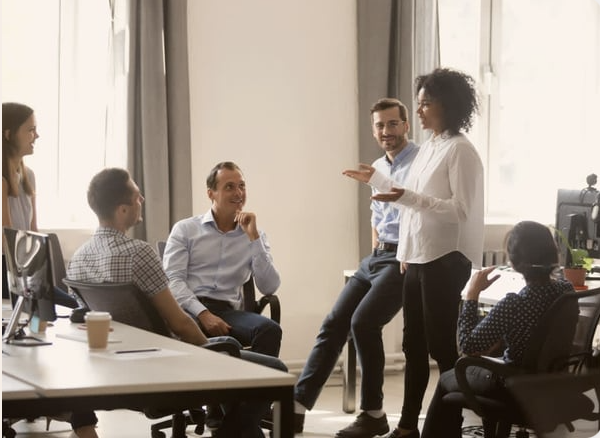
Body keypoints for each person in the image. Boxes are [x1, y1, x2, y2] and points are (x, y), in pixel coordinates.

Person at [67, 167, 287, 438]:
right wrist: (217, 353)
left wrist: (254, 239)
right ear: (122, 209)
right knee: (275, 371)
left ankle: (236, 425)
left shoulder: (78, 259)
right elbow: (180, 323)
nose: (143, 200)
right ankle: (237, 429)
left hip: (120, 369)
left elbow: (83, 321)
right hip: (168, 362)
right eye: (137, 195)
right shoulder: (142, 251)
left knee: (262, 336)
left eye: (242, 185)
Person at [344, 67, 485, 438]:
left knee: (442, 347)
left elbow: (460, 210)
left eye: (425, 104)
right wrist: (376, 180)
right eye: (418, 103)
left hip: (446, 258)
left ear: (447, 105)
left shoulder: (460, 150)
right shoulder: (431, 148)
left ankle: (451, 425)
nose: (418, 111)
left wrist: (405, 197)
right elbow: (407, 201)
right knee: (413, 346)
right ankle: (407, 426)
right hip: (417, 258)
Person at [293, 98, 418, 437]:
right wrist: (375, 248)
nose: (386, 131)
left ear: (406, 125)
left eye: (393, 124)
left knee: (364, 323)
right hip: (377, 257)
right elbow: (377, 217)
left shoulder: (421, 163)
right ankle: (297, 407)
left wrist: (402, 252)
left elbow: (419, 212)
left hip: (403, 259)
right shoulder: (377, 166)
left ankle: (373, 414)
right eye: (380, 125)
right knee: (334, 323)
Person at [421, 220, 575, 437]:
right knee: (492, 353)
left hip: (512, 386)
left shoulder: (514, 304)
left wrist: (471, 296)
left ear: (513, 262)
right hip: (551, 384)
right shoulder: (566, 290)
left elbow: (467, 347)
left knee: (448, 377)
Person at [2, 102, 92, 437]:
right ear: (9, 134)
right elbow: (8, 240)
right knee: (38, 318)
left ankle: (59, 398)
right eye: (30, 129)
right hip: (8, 274)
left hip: (28, 275)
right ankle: (71, 414)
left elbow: (34, 234)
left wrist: (39, 273)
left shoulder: (27, 175)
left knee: (73, 312)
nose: (36, 135)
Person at [163, 161, 282, 358]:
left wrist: (254, 239)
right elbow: (173, 282)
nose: (238, 193)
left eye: (241, 186)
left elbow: (269, 287)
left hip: (228, 313)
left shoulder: (254, 235)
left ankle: (254, 389)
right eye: (229, 187)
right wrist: (203, 313)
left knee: (269, 330)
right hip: (187, 310)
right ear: (211, 193)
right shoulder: (186, 229)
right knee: (221, 342)